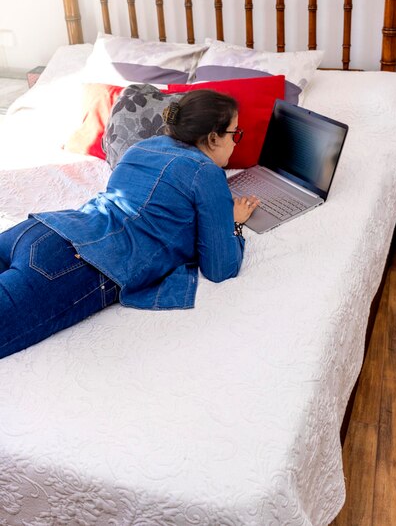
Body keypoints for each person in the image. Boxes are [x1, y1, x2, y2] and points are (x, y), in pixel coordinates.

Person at [0, 89, 260, 359]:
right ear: (213, 138)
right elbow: (221, 268)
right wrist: (234, 223)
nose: (236, 143)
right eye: (235, 134)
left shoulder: (144, 145)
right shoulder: (206, 172)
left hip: (43, 228)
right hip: (76, 262)